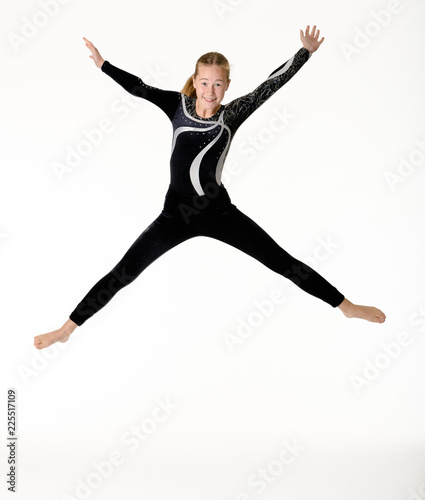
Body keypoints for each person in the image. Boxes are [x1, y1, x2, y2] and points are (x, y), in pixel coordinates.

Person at [34, 25, 386, 350]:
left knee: (281, 261)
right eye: (204, 83)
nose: (210, 91)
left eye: (218, 84)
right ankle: (67, 329)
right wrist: (103, 65)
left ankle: (346, 305)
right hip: (175, 215)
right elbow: (139, 87)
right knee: (124, 271)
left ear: (227, 86)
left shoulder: (231, 114)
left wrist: (303, 53)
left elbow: (270, 85)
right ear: (195, 80)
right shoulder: (177, 106)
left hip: (218, 212)